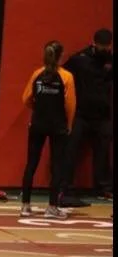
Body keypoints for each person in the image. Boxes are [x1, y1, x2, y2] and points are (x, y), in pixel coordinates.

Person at [20, 40, 74, 220]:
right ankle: (52, 207)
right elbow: (70, 105)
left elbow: (26, 98)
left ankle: (25, 206)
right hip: (58, 126)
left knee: (31, 163)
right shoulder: (66, 77)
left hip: (37, 124)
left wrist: (38, 109)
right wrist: (69, 124)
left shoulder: (37, 74)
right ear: (61, 56)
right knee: (57, 165)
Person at [61, 28, 113, 204]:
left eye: (107, 46)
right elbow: (63, 75)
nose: (104, 49)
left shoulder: (111, 61)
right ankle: (66, 187)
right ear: (94, 42)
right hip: (81, 113)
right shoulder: (79, 59)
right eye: (101, 46)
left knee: (103, 151)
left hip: (102, 114)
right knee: (71, 150)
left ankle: (104, 188)